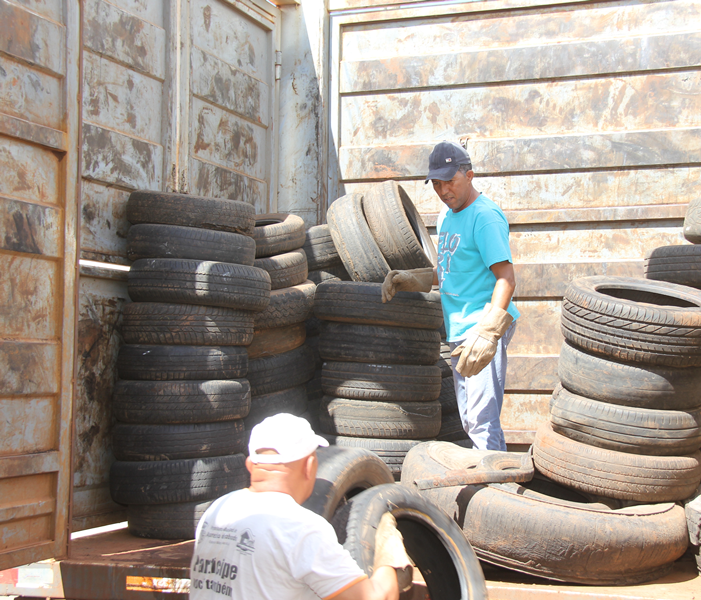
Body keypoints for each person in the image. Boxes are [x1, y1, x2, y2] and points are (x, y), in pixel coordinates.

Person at [382, 141, 519, 451]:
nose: (444, 190)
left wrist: (488, 333)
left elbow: (506, 279)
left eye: (450, 182)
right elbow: (449, 270)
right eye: (437, 184)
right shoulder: (447, 216)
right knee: (470, 418)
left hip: (483, 324)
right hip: (458, 327)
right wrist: (412, 278)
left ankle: (494, 490)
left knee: (482, 420)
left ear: (468, 175)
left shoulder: (485, 217)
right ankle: (493, 481)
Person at [189, 413, 412, 600]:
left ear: (250, 465)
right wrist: (388, 552)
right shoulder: (300, 527)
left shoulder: (217, 511)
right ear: (310, 465)